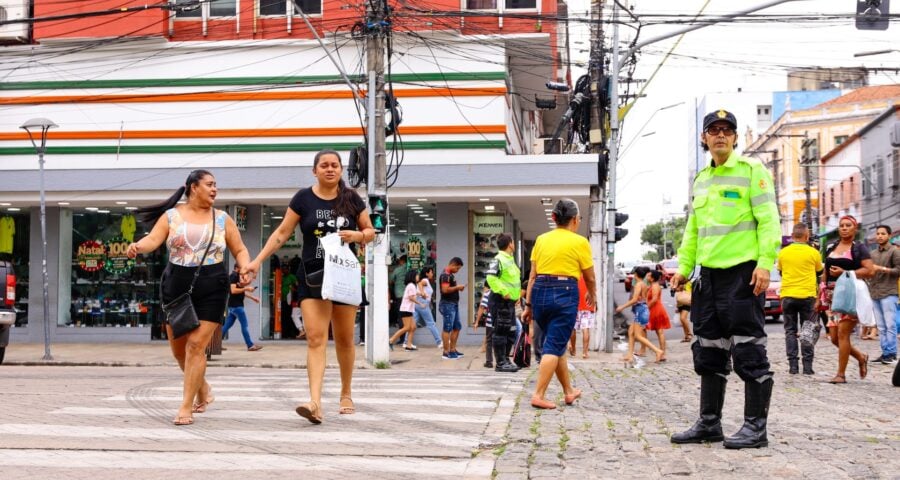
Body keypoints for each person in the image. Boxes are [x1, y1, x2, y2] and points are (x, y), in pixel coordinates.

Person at [670, 109, 781, 450]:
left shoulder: (752, 171)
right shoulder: (701, 179)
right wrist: (684, 267)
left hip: (742, 275)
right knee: (708, 351)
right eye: (713, 130)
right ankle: (709, 423)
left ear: (735, 137)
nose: (720, 135)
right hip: (708, 278)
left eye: (726, 130)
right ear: (704, 138)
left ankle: (755, 428)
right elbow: (694, 230)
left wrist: (765, 264)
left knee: (748, 350)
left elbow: (769, 220)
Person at [243, 149, 374, 424]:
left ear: (341, 170)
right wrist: (256, 262)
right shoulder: (303, 198)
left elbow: (371, 232)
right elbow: (281, 233)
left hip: (344, 276)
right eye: (324, 165)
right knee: (315, 338)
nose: (330, 169)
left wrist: (359, 235)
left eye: (335, 165)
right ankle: (314, 402)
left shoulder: (351, 198)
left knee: (344, 339)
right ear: (314, 170)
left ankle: (346, 393)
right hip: (312, 275)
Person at [126, 169, 252, 426]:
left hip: (212, 286)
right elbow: (153, 240)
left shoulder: (222, 218)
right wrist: (137, 247)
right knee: (178, 350)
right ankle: (203, 387)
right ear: (194, 187)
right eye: (209, 184)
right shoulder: (171, 216)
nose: (214, 189)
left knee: (196, 346)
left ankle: (186, 406)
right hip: (176, 286)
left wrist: (246, 267)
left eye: (216, 184)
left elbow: (239, 248)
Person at [523, 198, 595, 409]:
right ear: (574, 220)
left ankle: (569, 391)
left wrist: (528, 305)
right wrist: (593, 295)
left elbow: (533, 276)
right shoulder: (579, 242)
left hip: (540, 293)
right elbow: (589, 277)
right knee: (553, 347)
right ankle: (538, 394)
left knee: (557, 343)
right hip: (564, 292)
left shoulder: (541, 240)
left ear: (554, 218)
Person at [821, 215, 874, 384]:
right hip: (831, 296)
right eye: (841, 225)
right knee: (835, 338)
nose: (844, 228)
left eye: (848, 225)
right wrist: (818, 296)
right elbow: (825, 272)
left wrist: (845, 272)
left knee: (844, 334)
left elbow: (870, 270)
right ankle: (860, 357)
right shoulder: (831, 247)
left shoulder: (860, 248)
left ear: (854, 228)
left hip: (850, 295)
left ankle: (841, 374)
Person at [776, 223, 823, 375]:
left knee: (790, 331)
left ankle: (793, 367)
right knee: (807, 331)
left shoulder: (783, 252)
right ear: (806, 236)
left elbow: (781, 272)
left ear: (792, 235)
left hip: (788, 296)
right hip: (807, 296)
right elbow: (819, 272)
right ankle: (808, 367)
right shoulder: (813, 252)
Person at [486, 232, 522, 373]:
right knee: (501, 330)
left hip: (509, 303)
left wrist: (516, 295)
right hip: (500, 301)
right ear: (510, 244)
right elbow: (490, 278)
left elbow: (513, 281)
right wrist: (504, 292)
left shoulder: (510, 260)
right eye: (513, 242)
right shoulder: (498, 259)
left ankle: (506, 359)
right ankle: (500, 363)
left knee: (511, 331)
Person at [616, 267, 664, 365]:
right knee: (631, 332)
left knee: (638, 335)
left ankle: (657, 351)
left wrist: (622, 307)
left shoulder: (639, 285)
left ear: (636, 275)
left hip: (641, 310)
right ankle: (629, 355)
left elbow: (634, 300)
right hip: (641, 310)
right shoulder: (644, 284)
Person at [866, 225, 899, 364]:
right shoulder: (873, 254)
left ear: (889, 236)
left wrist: (882, 269)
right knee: (881, 326)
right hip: (875, 292)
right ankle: (885, 352)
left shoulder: (895, 251)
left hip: (889, 292)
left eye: (883, 234)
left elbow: (898, 271)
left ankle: (891, 353)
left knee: (890, 325)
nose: (879, 236)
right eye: (878, 233)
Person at [224, 263, 262, 351]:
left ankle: (214, 343)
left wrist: (253, 298)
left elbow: (241, 291)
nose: (244, 271)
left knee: (226, 326)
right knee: (244, 326)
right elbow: (233, 291)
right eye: (243, 269)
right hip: (237, 306)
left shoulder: (236, 276)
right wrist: (246, 288)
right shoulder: (234, 276)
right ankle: (250, 345)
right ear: (237, 268)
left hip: (233, 306)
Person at [439, 257, 466, 359]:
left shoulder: (450, 275)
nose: (457, 271)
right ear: (453, 265)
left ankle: (452, 349)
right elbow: (445, 290)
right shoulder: (445, 275)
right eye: (457, 268)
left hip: (453, 304)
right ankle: (446, 352)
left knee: (456, 327)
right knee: (447, 328)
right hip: (447, 304)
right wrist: (457, 287)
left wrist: (458, 288)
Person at [389, 269, 421, 351]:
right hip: (405, 309)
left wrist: (422, 294)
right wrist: (420, 303)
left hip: (408, 310)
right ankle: (391, 340)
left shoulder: (413, 285)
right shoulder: (411, 285)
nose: (418, 277)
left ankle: (408, 346)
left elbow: (415, 293)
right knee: (407, 327)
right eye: (417, 275)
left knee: (413, 327)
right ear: (413, 277)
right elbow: (411, 297)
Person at [413, 266, 442, 349]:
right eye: (431, 272)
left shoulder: (427, 281)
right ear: (427, 273)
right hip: (422, 303)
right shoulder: (425, 280)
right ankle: (439, 342)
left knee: (413, 323)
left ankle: (406, 341)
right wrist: (423, 293)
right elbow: (419, 283)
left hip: (419, 303)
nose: (432, 274)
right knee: (431, 323)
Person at [645, 270, 671, 357]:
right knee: (659, 331)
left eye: (648, 276)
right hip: (654, 309)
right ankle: (662, 352)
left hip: (656, 309)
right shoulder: (652, 285)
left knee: (660, 331)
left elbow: (654, 299)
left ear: (652, 278)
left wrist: (647, 307)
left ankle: (662, 353)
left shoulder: (655, 286)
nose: (647, 277)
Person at [569, 275, 595, 359]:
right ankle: (585, 352)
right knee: (586, 328)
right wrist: (595, 302)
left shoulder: (573, 274)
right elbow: (593, 289)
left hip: (574, 304)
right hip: (587, 305)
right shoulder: (589, 276)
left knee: (573, 328)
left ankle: (573, 349)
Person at [476, 286, 494, 368]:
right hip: (501, 321)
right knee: (502, 340)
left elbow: (482, 307)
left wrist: (477, 321)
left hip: (491, 322)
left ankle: (489, 361)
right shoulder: (504, 291)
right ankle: (502, 360)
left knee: (489, 341)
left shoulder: (488, 293)